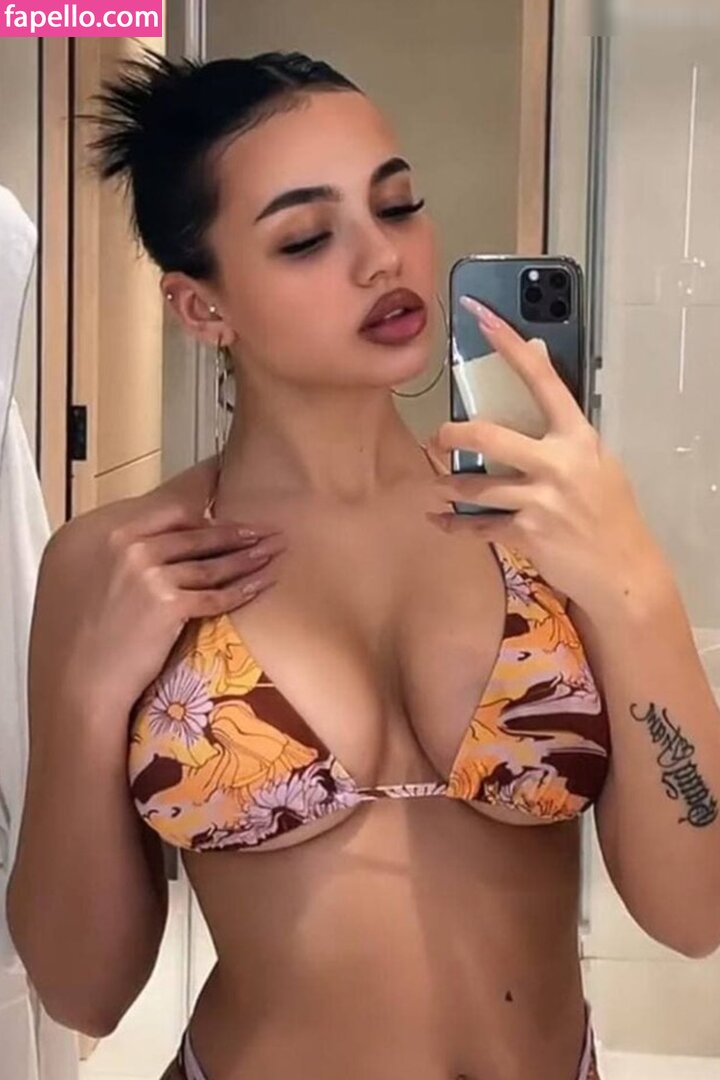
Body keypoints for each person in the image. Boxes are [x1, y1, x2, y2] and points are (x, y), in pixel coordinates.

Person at [8, 49, 720, 1080]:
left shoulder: (541, 517)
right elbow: (82, 993)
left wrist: (634, 585)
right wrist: (89, 703)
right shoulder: (118, 562)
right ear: (202, 308)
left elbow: (696, 916)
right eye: (306, 237)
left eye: (397, 206)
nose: (382, 257)